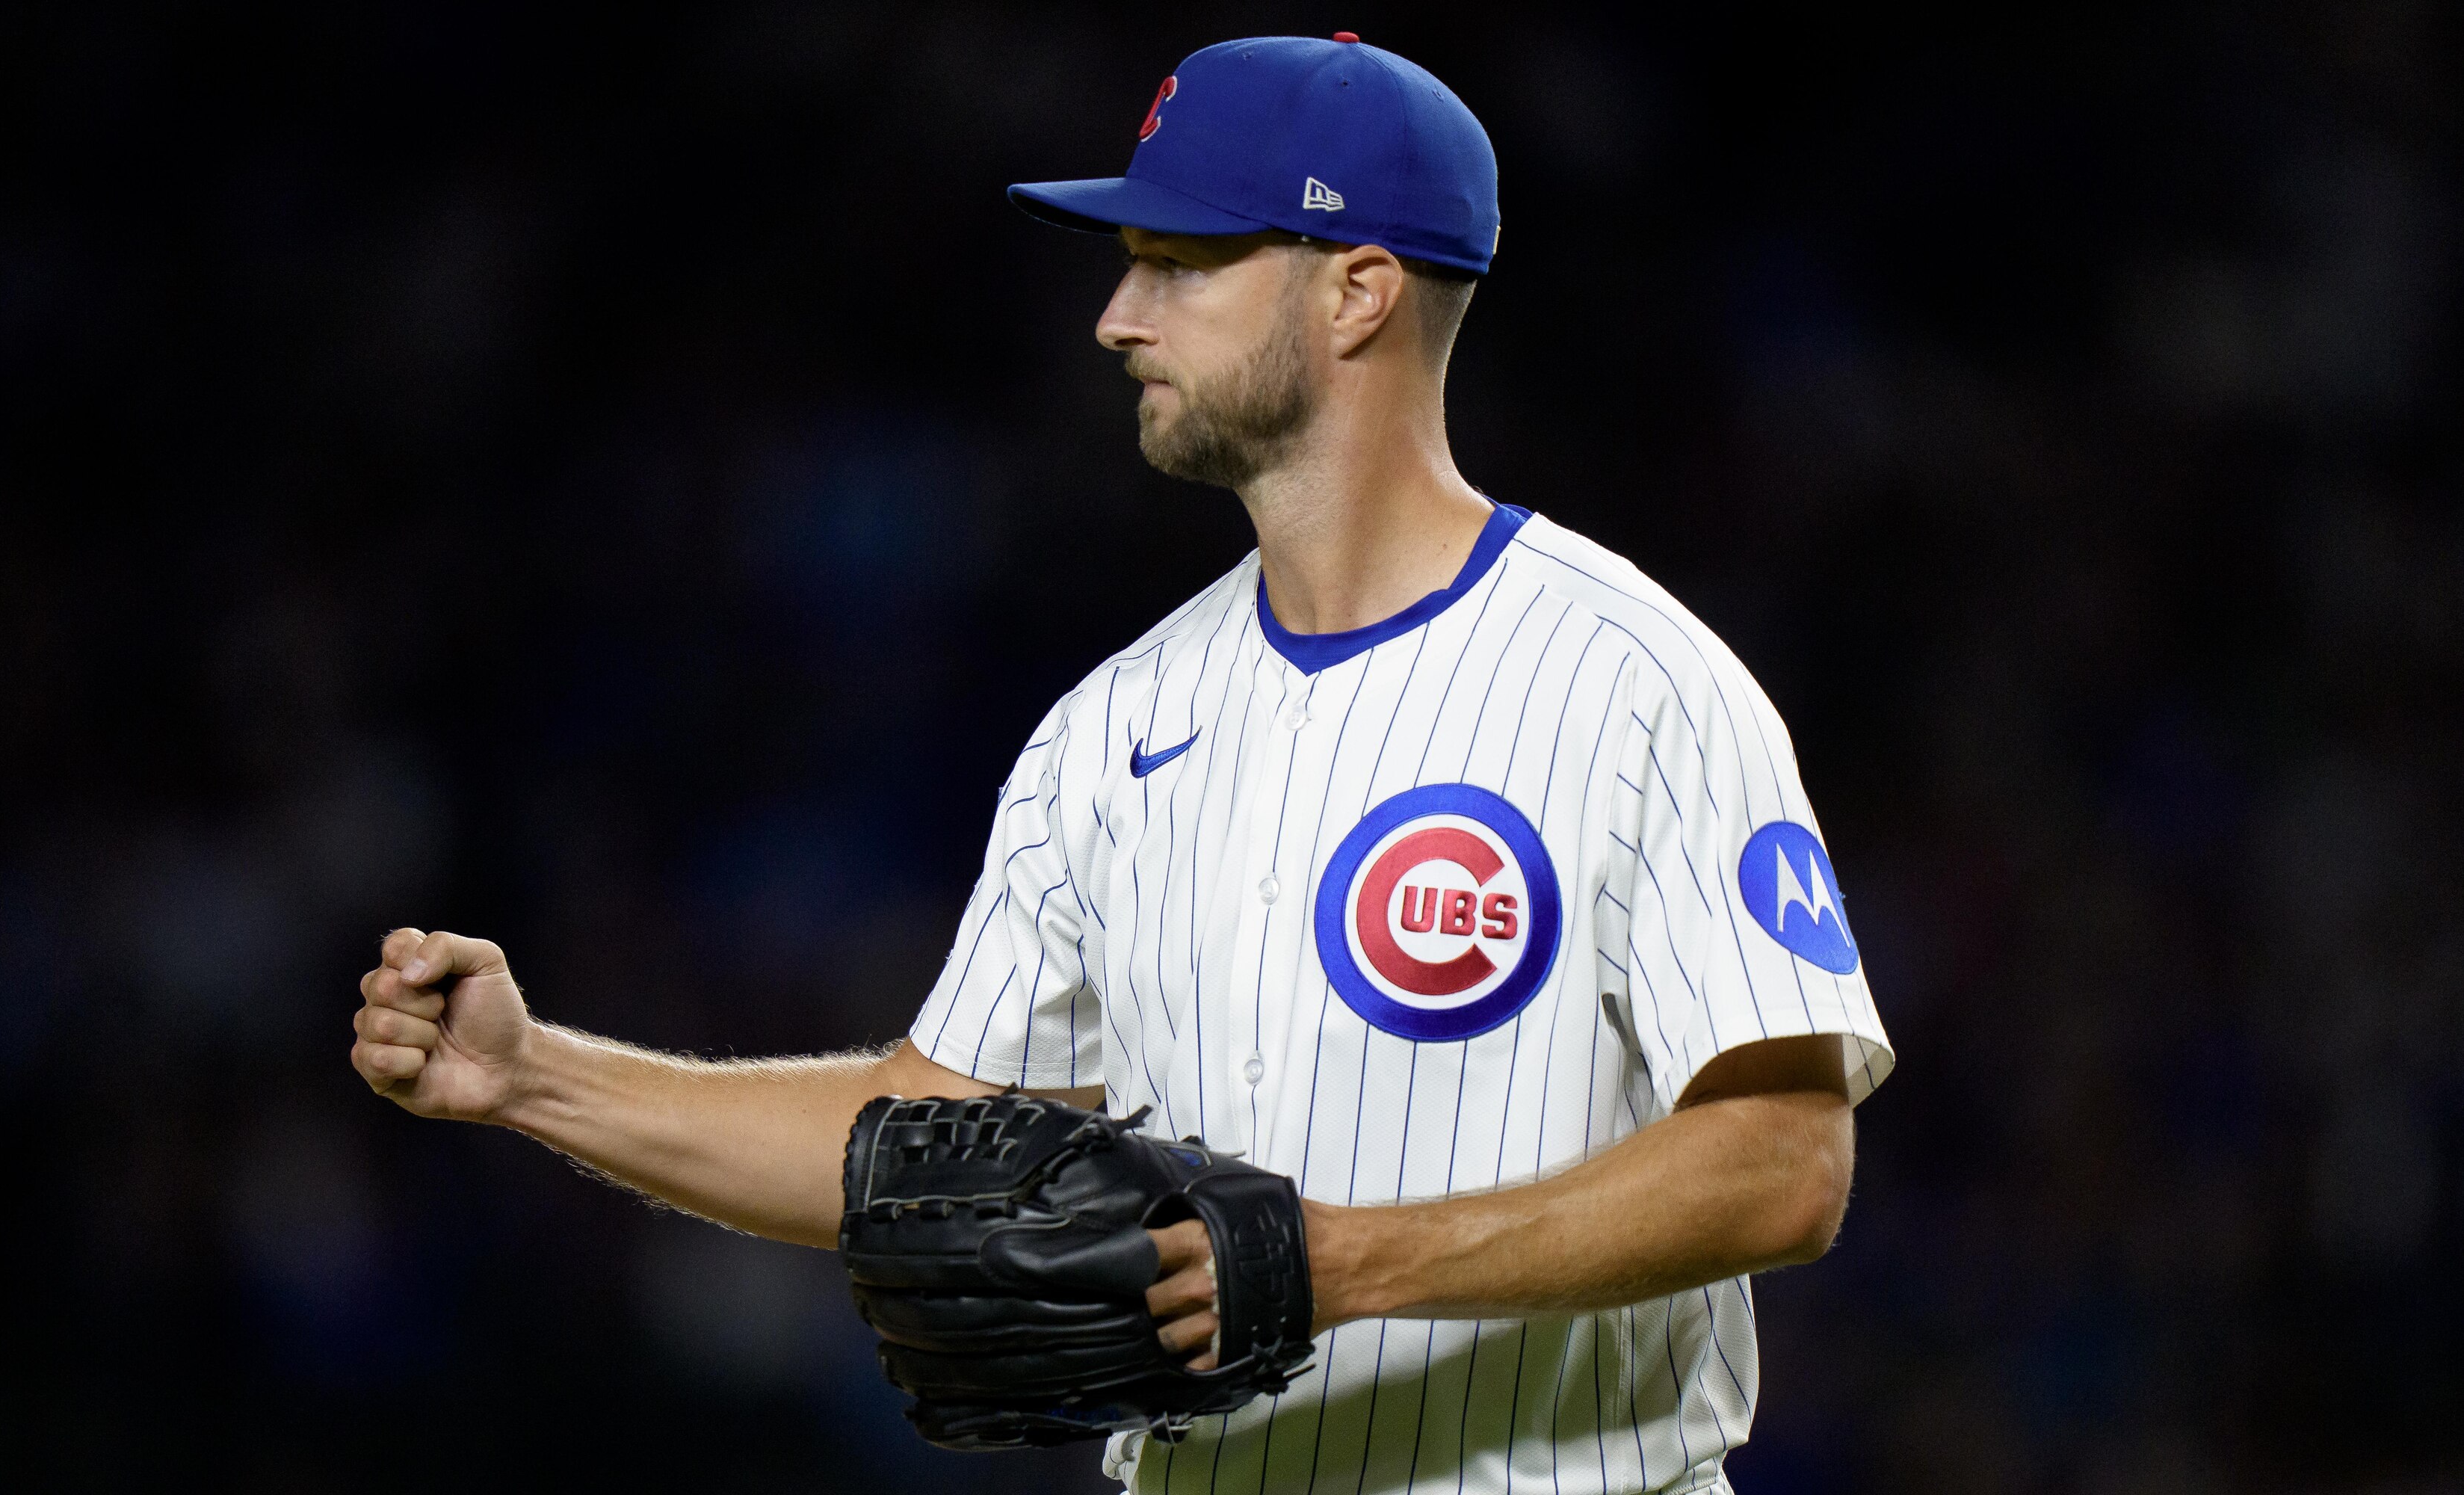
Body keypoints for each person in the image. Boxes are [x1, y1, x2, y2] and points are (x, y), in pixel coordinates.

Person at [349, 33, 1892, 1494]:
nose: (1117, 316)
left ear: (1354, 290)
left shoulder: (1632, 681)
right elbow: (914, 1131)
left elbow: (1780, 1159)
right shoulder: (1111, 726)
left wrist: (1338, 1259)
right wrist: (534, 1075)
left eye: (1180, 261)